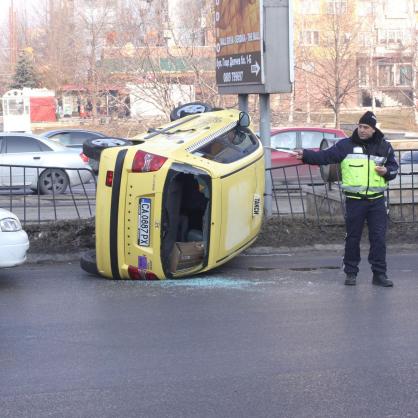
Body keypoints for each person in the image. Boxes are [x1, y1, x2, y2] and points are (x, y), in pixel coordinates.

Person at [296, 111, 398, 287]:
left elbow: (394, 168)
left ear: (374, 129)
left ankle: (379, 274)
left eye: (366, 127)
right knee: (352, 238)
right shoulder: (346, 145)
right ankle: (351, 273)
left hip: (377, 201)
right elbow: (326, 157)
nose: (362, 130)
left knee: (378, 239)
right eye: (360, 126)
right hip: (355, 201)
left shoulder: (384, 146)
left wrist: (387, 171)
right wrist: (306, 155)